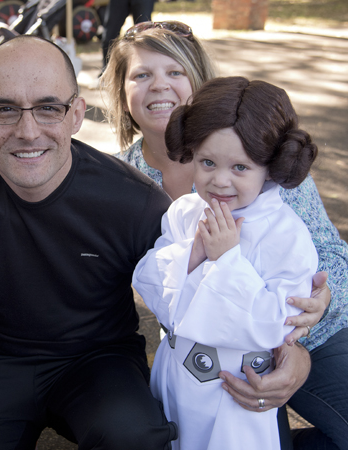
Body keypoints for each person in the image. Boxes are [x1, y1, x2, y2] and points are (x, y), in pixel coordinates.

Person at [0, 35, 178, 449]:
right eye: (6, 110)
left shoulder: (135, 203)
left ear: (76, 115)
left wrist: (285, 349)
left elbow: (199, 294)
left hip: (100, 361)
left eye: (49, 108)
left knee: (135, 439)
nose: (28, 132)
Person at [101, 21, 348, 450]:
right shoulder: (118, 179)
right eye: (142, 75)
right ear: (122, 93)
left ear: (198, 80)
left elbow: (331, 256)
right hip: (206, 351)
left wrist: (310, 323)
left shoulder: (262, 151)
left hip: (311, 336)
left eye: (175, 72)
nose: (160, 86)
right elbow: (145, 276)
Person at [133, 76, 319, 449]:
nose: (219, 181)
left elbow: (276, 325)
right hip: (177, 380)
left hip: (236, 393)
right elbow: (149, 281)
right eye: (207, 162)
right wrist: (194, 254)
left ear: (271, 166)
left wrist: (227, 261)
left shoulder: (286, 235)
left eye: (240, 168)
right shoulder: (185, 212)